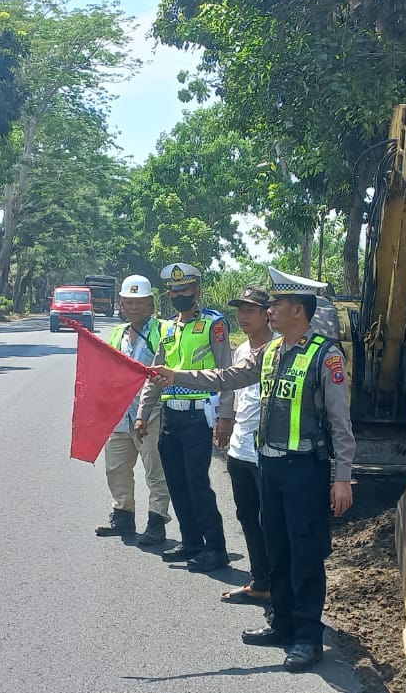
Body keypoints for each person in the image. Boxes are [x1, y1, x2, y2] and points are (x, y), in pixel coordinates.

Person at [147, 267, 356, 674]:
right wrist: (176, 376)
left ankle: (308, 637)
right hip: (271, 465)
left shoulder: (325, 355)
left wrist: (343, 476)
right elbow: (226, 376)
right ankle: (282, 623)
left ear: (298, 309)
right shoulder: (271, 352)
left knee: (305, 553)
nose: (270, 310)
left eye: (276, 304)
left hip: (305, 469)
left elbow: (340, 422)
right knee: (276, 546)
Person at [137, 262, 233, 573]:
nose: (179, 295)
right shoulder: (166, 328)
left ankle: (215, 548)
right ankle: (192, 543)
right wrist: (143, 413)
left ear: (197, 291)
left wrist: (225, 417)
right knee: (177, 483)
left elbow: (226, 374)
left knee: (197, 484)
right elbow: (155, 374)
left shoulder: (213, 325)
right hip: (170, 419)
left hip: (197, 417)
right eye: (174, 291)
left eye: (185, 290)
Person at [94, 274, 173, 546]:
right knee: (116, 468)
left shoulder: (163, 330)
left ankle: (156, 522)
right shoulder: (117, 333)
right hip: (119, 413)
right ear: (121, 304)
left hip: (152, 412)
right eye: (128, 302)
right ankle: (123, 516)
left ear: (151, 304)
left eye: (139, 302)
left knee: (155, 470)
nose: (133, 307)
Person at [217, 285, 275, 608]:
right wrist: (227, 420)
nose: (242, 316)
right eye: (240, 310)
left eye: (250, 310)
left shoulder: (279, 351)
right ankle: (260, 582)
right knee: (247, 517)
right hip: (239, 450)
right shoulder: (241, 352)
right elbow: (236, 396)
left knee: (271, 522)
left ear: (268, 313)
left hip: (265, 454)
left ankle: (278, 587)